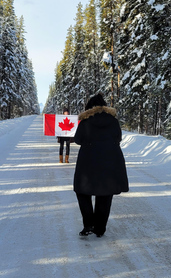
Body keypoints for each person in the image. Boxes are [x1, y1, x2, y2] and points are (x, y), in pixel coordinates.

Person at [73, 94, 128, 237]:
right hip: (111, 160)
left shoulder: (86, 121)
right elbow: (118, 138)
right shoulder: (113, 120)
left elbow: (78, 140)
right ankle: (100, 228)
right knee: (105, 193)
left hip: (88, 161)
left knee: (82, 191)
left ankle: (89, 223)